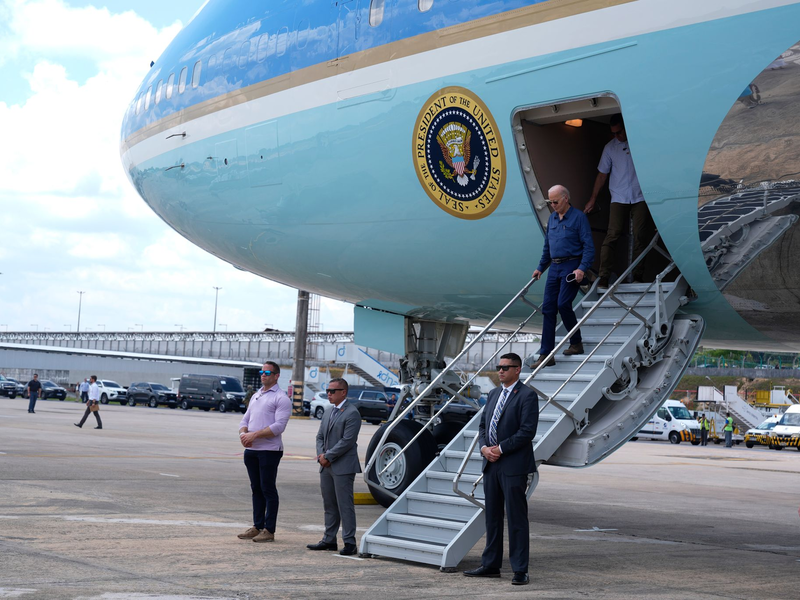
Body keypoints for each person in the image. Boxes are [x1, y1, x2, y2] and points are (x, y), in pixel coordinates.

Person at [463, 353, 538, 586]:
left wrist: (501, 448)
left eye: (506, 367)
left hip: (513, 465)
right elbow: (483, 426)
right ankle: (491, 565)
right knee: (493, 518)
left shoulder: (527, 395)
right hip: (491, 464)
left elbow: (527, 431)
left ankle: (520, 570)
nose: (501, 371)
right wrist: (484, 448)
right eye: (499, 367)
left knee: (516, 519)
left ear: (518, 370)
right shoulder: (494, 394)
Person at [584, 114, 654, 288]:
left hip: (640, 195)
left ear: (626, 128)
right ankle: (604, 276)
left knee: (640, 235)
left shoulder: (640, 143)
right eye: (613, 133)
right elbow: (602, 174)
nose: (617, 136)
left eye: (619, 132)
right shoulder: (610, 148)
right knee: (612, 234)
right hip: (618, 196)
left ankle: (638, 276)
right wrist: (592, 199)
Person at [530, 185, 595, 369]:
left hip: (571, 265)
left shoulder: (578, 218)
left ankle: (576, 342)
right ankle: (546, 354)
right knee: (548, 309)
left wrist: (582, 268)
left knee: (563, 304)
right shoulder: (552, 218)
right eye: (550, 202)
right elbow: (547, 246)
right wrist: (540, 267)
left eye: (555, 202)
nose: (552, 205)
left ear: (566, 199)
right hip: (554, 266)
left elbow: (589, 246)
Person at [237, 362, 292, 543]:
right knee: (256, 489)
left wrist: (254, 435)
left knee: (268, 489)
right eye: (261, 371)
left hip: (269, 450)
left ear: (276, 376)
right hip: (252, 450)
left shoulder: (281, 398)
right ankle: (257, 525)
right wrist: (243, 434)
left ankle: (269, 529)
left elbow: (279, 426)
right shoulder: (256, 395)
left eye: (267, 372)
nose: (263, 374)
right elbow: (245, 420)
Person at [307, 378, 362, 556]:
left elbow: (348, 441)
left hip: (343, 466)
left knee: (345, 505)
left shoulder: (352, 413)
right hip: (326, 465)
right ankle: (329, 539)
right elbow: (319, 437)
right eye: (327, 391)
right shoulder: (328, 411)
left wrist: (328, 456)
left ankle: (349, 542)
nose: (328, 394)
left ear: (343, 392)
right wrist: (321, 455)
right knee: (329, 504)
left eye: (332, 391)